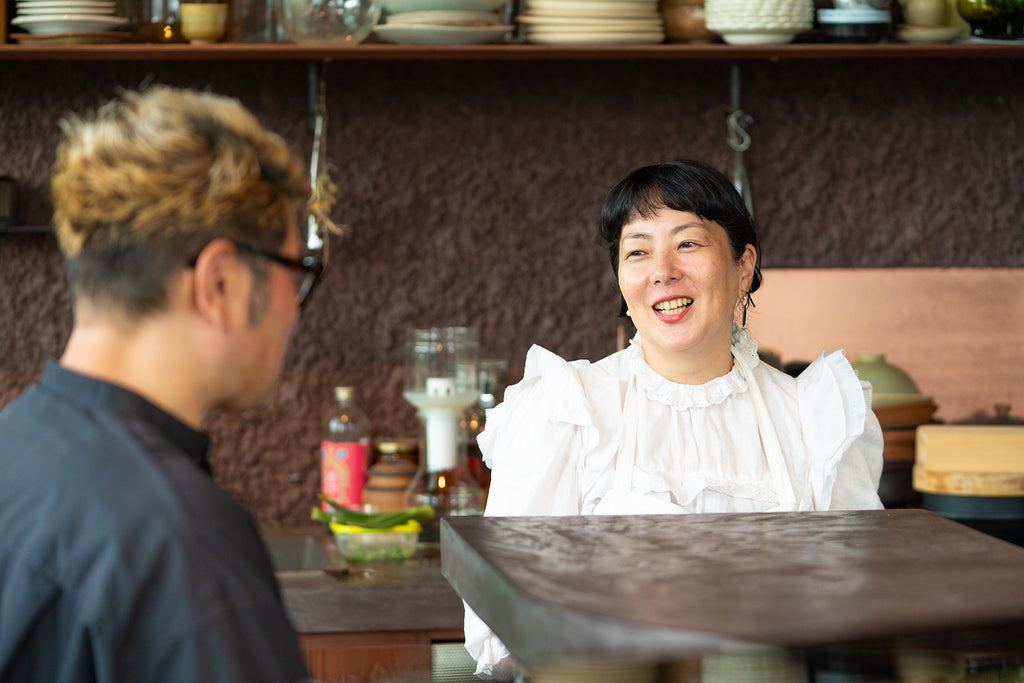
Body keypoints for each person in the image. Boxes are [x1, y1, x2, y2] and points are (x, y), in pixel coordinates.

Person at [463, 159, 884, 679]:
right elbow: (506, 612)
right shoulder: (568, 408)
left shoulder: (812, 417)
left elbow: (857, 612)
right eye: (638, 250)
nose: (662, 270)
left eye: (688, 243)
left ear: (743, 265)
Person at [0, 86, 326, 683]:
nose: (295, 309)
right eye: (295, 271)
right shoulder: (184, 547)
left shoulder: (11, 454)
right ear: (219, 282)